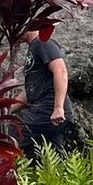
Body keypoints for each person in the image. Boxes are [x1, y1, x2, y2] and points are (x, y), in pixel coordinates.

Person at [21, 25, 69, 154]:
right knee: (51, 160)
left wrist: (58, 108)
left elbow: (61, 71)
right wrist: (2, 111)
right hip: (48, 113)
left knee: (13, 132)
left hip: (48, 110)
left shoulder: (43, 42)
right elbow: (30, 91)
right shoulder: (34, 47)